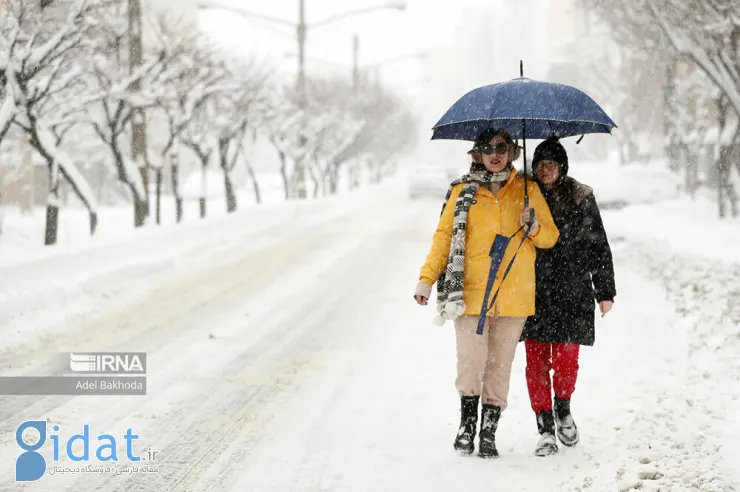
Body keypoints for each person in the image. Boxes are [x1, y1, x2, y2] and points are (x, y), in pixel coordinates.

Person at [413, 128, 559, 458]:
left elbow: (549, 237)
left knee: (499, 367)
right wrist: (426, 279)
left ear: (512, 152)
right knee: (471, 362)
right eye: (488, 148)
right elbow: (443, 238)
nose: (495, 153)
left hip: (514, 294)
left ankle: (489, 431)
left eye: (502, 147)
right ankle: (466, 426)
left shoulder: (527, 190)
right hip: (471, 293)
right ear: (477, 153)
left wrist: (532, 224)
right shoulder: (463, 191)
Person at [521, 136, 617, 457]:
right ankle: (545, 426)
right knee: (535, 361)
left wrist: (604, 291)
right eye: (539, 164)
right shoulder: (524, 196)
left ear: (562, 166)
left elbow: (598, 246)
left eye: (550, 163)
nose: (544, 169)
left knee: (566, 359)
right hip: (532, 291)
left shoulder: (581, 197)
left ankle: (563, 408)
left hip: (572, 290)